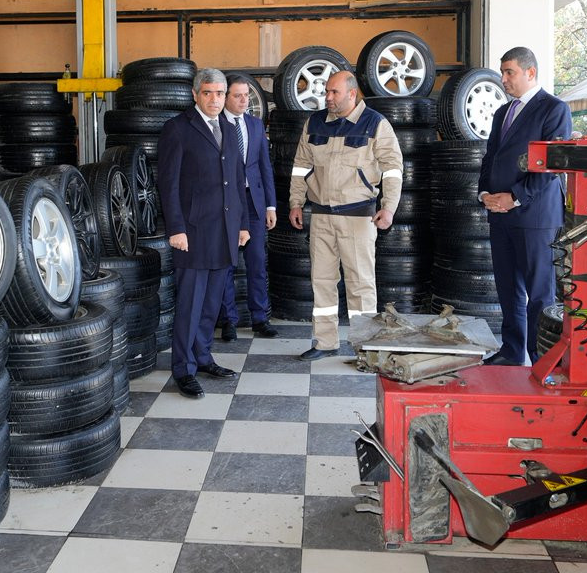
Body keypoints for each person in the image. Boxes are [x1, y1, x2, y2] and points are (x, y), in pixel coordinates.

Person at [288, 70, 403, 360]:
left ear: (352, 94)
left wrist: (389, 207)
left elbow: (392, 169)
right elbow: (300, 166)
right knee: (322, 281)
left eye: (334, 92)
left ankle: (365, 348)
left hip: (358, 217)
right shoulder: (314, 123)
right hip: (321, 216)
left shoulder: (375, 123)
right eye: (326, 91)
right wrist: (296, 202)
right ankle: (325, 342)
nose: (327, 97)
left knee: (360, 284)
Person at [157, 68, 250, 399]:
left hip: (224, 231)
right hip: (193, 234)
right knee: (190, 304)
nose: (215, 99)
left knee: (211, 304)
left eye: (220, 93)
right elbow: (168, 184)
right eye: (208, 93)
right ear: (195, 94)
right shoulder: (177, 129)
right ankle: (183, 369)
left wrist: (242, 224)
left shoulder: (230, 127)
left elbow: (237, 180)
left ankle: (203, 356)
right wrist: (176, 229)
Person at [478, 47, 572, 366]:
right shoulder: (502, 113)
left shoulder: (554, 109)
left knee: (539, 293)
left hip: (535, 217)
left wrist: (515, 196)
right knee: (508, 289)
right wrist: (485, 193)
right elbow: (490, 157)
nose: (503, 79)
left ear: (530, 73)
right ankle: (512, 351)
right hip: (500, 214)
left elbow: (552, 165)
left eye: (510, 72)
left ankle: (540, 359)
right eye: (502, 72)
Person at [216, 74, 279, 341]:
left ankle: (260, 318)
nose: (244, 101)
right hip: (226, 204)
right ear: (225, 98)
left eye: (247, 96)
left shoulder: (254, 124)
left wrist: (270, 206)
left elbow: (265, 166)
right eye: (238, 96)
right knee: (226, 265)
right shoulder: (215, 125)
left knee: (257, 263)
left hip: (254, 202)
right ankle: (228, 321)